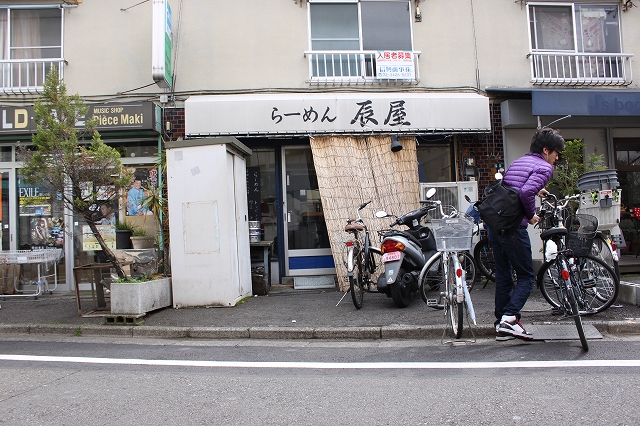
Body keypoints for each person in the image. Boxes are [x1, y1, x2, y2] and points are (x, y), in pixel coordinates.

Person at [488, 127, 565, 341]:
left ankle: (501, 325)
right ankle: (510, 318)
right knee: (527, 277)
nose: (556, 158)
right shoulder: (544, 168)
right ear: (546, 150)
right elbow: (525, 192)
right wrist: (531, 215)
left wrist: (537, 190)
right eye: (556, 153)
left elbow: (513, 186)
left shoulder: (520, 161)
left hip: (496, 224)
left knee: (504, 275)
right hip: (513, 226)